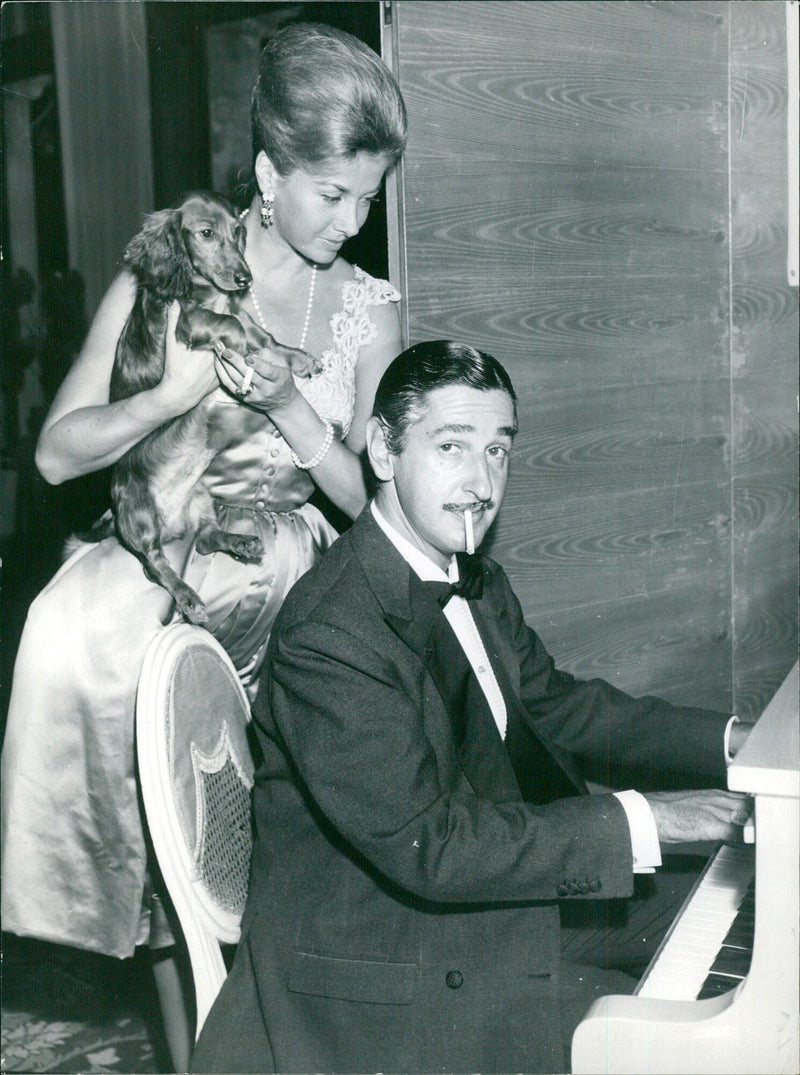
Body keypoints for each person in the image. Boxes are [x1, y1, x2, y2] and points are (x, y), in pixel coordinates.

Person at [1, 22, 407, 1071]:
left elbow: (373, 503)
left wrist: (290, 408)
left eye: (368, 196)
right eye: (332, 194)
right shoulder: (170, 268)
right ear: (269, 174)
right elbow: (54, 455)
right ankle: (180, 1022)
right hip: (165, 543)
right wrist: (172, 396)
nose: (353, 222)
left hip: (285, 570)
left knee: (244, 812)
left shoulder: (368, 309)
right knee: (68, 632)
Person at [190, 340, 753, 1075]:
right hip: (385, 957)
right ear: (385, 453)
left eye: (498, 450)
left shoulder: (471, 576)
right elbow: (432, 843)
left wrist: (735, 742)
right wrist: (652, 815)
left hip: (480, 895)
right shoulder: (330, 629)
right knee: (662, 1031)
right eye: (451, 446)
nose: (481, 482)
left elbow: (562, 707)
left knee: (751, 904)